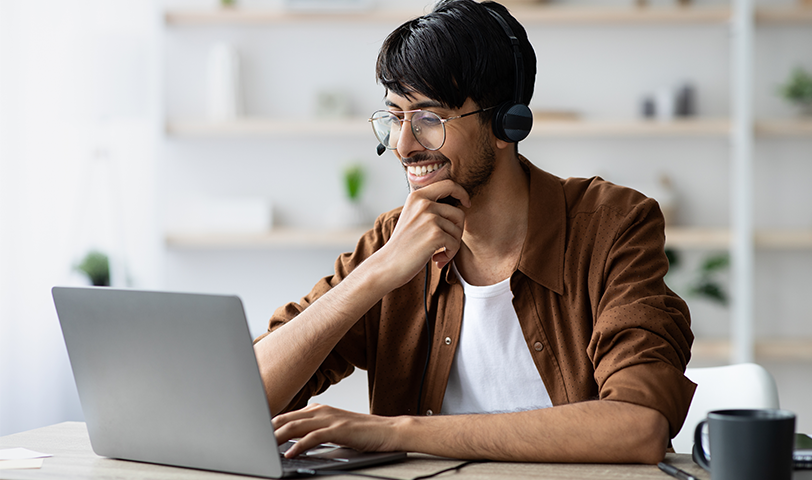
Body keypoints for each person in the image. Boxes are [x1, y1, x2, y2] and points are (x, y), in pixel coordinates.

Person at [253, 0, 695, 464]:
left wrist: (397, 432)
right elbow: (246, 397)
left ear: (508, 124)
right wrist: (377, 272)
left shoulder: (611, 226)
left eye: (428, 119)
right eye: (395, 118)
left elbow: (636, 425)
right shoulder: (394, 239)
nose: (404, 146)